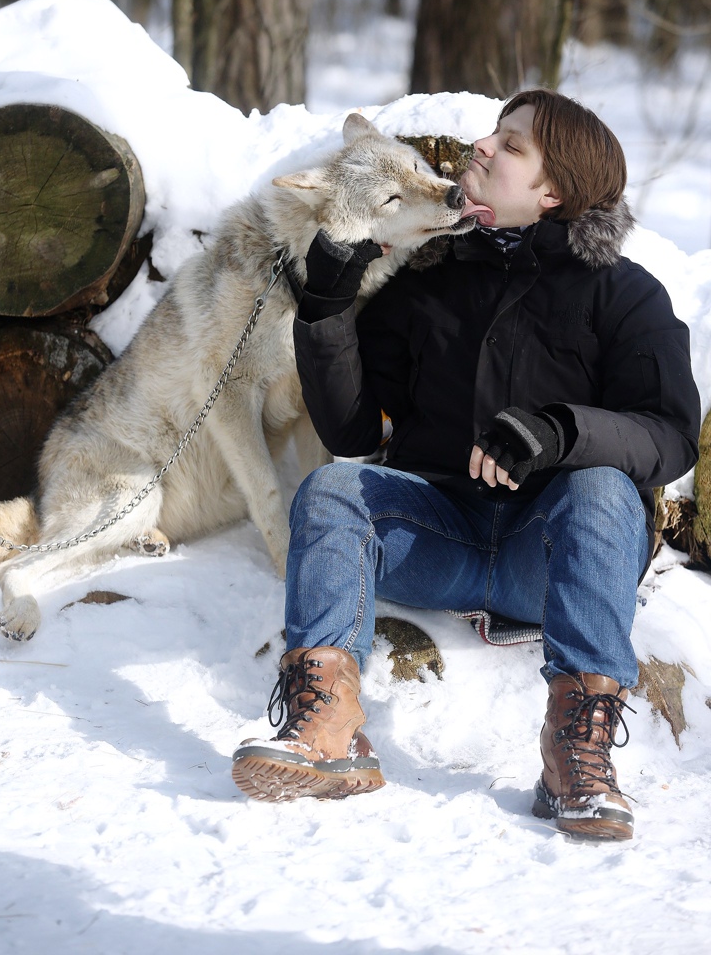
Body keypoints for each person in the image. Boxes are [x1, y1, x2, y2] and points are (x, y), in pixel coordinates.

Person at [231, 88, 700, 840]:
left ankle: (574, 751)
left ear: (554, 192)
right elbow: (351, 429)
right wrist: (325, 310)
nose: (482, 146)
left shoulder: (622, 293)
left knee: (609, 490)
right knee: (332, 489)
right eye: (493, 133)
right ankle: (326, 723)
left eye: (512, 145)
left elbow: (670, 435)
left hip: (549, 558)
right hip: (435, 535)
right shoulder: (427, 283)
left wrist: (560, 432)